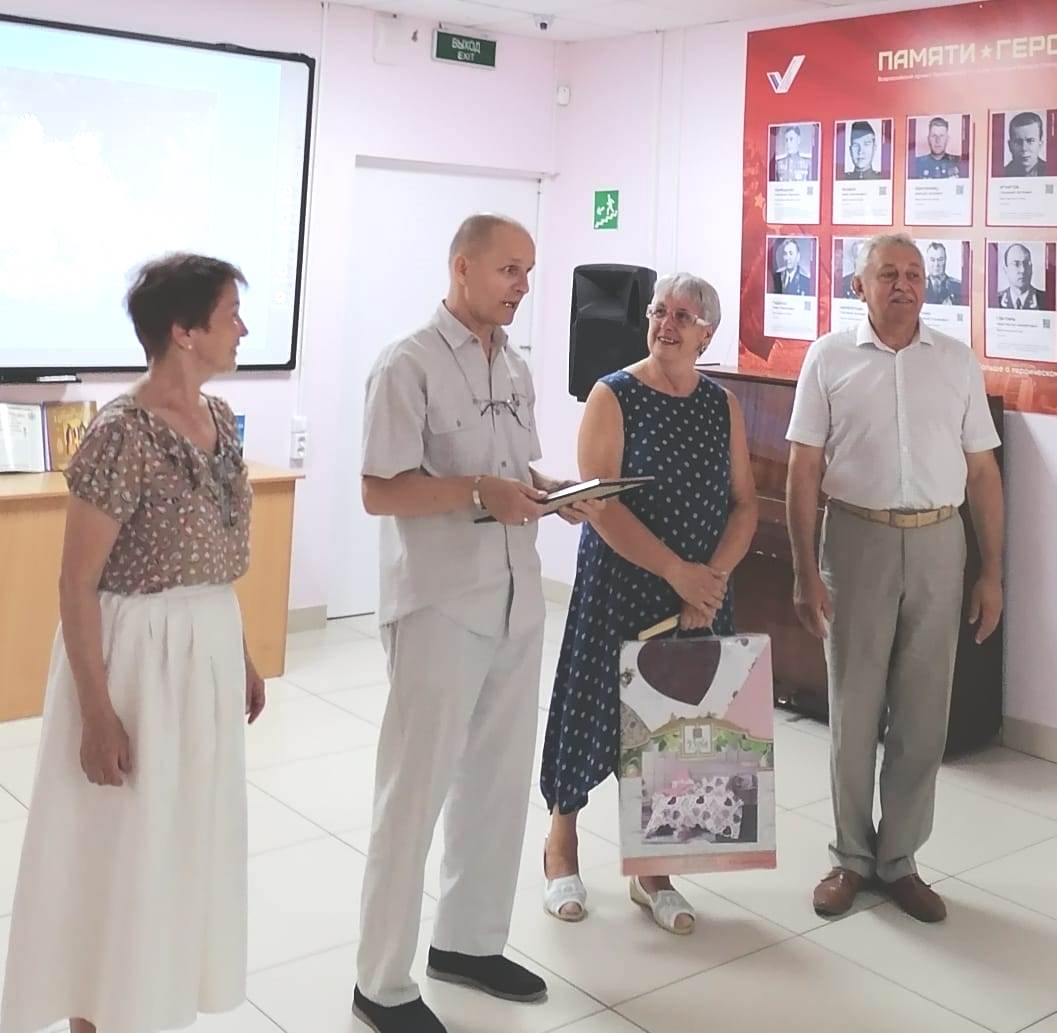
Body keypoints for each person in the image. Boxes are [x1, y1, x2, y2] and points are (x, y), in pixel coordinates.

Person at [0, 254, 265, 1033]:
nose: (243, 328)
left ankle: (153, 1001)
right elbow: (76, 581)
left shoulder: (218, 420)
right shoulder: (121, 433)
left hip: (205, 646)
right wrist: (96, 713)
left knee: (180, 840)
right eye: (230, 314)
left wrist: (240, 652)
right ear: (183, 331)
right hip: (138, 660)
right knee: (119, 846)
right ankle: (97, 1014)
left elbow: (212, 558)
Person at [353, 214, 598, 1033]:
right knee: (412, 793)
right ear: (462, 267)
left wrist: (552, 492)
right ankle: (380, 981)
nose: (523, 285)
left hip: (514, 598)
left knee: (496, 783)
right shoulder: (407, 363)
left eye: (528, 270)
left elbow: (508, 469)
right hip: (439, 605)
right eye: (508, 269)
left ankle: (467, 942)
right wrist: (475, 494)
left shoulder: (513, 365)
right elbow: (379, 488)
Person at [786, 233, 1004, 924]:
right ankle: (851, 856)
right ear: (860, 286)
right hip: (856, 539)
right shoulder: (828, 358)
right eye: (888, 273)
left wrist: (992, 571)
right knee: (853, 707)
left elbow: (981, 472)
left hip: (940, 541)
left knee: (923, 711)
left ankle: (900, 858)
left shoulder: (956, 361)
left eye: (914, 274)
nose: (903, 284)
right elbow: (802, 469)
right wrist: (803, 571)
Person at [540, 272, 758, 934]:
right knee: (592, 713)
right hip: (622, 584)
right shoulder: (614, 393)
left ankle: (654, 869)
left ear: (706, 335)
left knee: (678, 729)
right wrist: (675, 572)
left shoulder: (721, 404)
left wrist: (710, 581)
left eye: (682, 316)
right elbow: (599, 504)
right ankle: (560, 845)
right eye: (659, 311)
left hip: (700, 595)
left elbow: (744, 503)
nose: (666, 323)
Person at [998, 244, 1047, 310]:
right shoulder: (995, 300)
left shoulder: (1046, 300)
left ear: (1031, 268)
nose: (1022, 270)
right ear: (1006, 270)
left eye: (1026, 263)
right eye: (1016, 264)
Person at [1002, 111, 1050, 177]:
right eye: (1018, 142)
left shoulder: (1052, 171)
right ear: (1010, 146)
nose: (1024, 148)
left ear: (1040, 144)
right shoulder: (1001, 174)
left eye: (1030, 141)